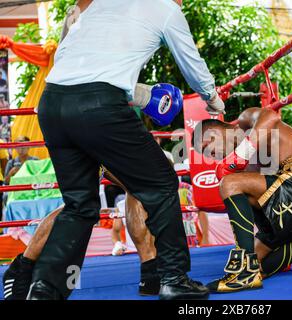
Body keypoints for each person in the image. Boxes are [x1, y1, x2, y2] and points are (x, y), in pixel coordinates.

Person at [28, 0, 225, 300]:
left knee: (79, 206)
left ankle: (44, 290)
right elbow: (191, 63)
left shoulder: (101, 6)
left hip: (52, 103)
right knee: (161, 182)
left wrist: (134, 91)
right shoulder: (166, 8)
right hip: (98, 105)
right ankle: (174, 279)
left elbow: (75, 61)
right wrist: (213, 98)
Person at [191, 107, 292, 293]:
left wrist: (241, 155)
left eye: (207, 149)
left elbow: (270, 116)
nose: (211, 157)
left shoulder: (245, 122)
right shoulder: (245, 166)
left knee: (229, 183)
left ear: (213, 133)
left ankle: (245, 271)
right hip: (291, 210)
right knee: (260, 265)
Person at [3, 169, 160, 300]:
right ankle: (21, 268)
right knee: (80, 203)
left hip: (97, 133)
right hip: (94, 134)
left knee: (132, 184)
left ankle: (150, 271)